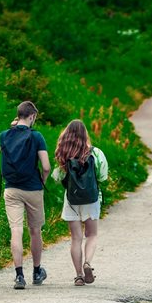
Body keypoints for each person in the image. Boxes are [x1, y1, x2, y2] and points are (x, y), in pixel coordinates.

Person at [0, 101, 51, 289]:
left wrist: (13, 128)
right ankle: (37, 271)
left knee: (16, 230)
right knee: (35, 231)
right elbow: (46, 166)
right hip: (33, 189)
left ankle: (19, 276)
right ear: (32, 117)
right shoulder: (37, 137)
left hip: (11, 189)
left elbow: (5, 151)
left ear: (18, 115)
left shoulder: (4, 136)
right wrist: (42, 181)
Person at [52, 119, 108, 286]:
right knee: (91, 235)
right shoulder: (96, 153)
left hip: (72, 200)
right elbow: (103, 176)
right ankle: (87, 263)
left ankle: (78, 276)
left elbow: (58, 178)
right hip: (91, 199)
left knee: (76, 238)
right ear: (85, 135)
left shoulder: (64, 154)